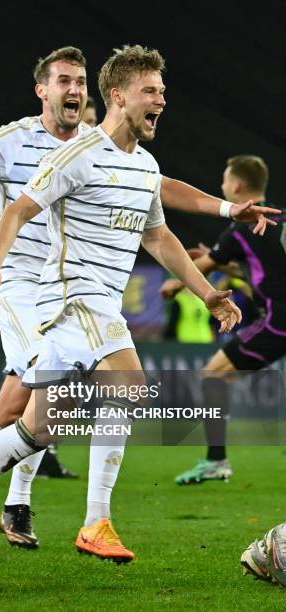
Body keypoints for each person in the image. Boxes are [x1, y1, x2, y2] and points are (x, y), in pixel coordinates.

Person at [0, 50, 278, 555]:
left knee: (38, 423)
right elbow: (15, 210)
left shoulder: (144, 164)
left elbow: (158, 237)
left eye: (162, 90)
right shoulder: (73, 154)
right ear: (118, 96)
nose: (162, 99)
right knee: (129, 385)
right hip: (71, 295)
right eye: (151, 90)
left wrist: (207, 293)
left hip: (92, 302)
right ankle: (93, 522)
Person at [159, 154, 286, 582]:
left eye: (225, 180)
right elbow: (265, 272)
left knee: (213, 374)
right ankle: (216, 458)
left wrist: (179, 281)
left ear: (235, 189)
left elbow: (206, 267)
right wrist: (227, 262)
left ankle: (216, 459)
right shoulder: (278, 220)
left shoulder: (240, 226)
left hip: (280, 321)